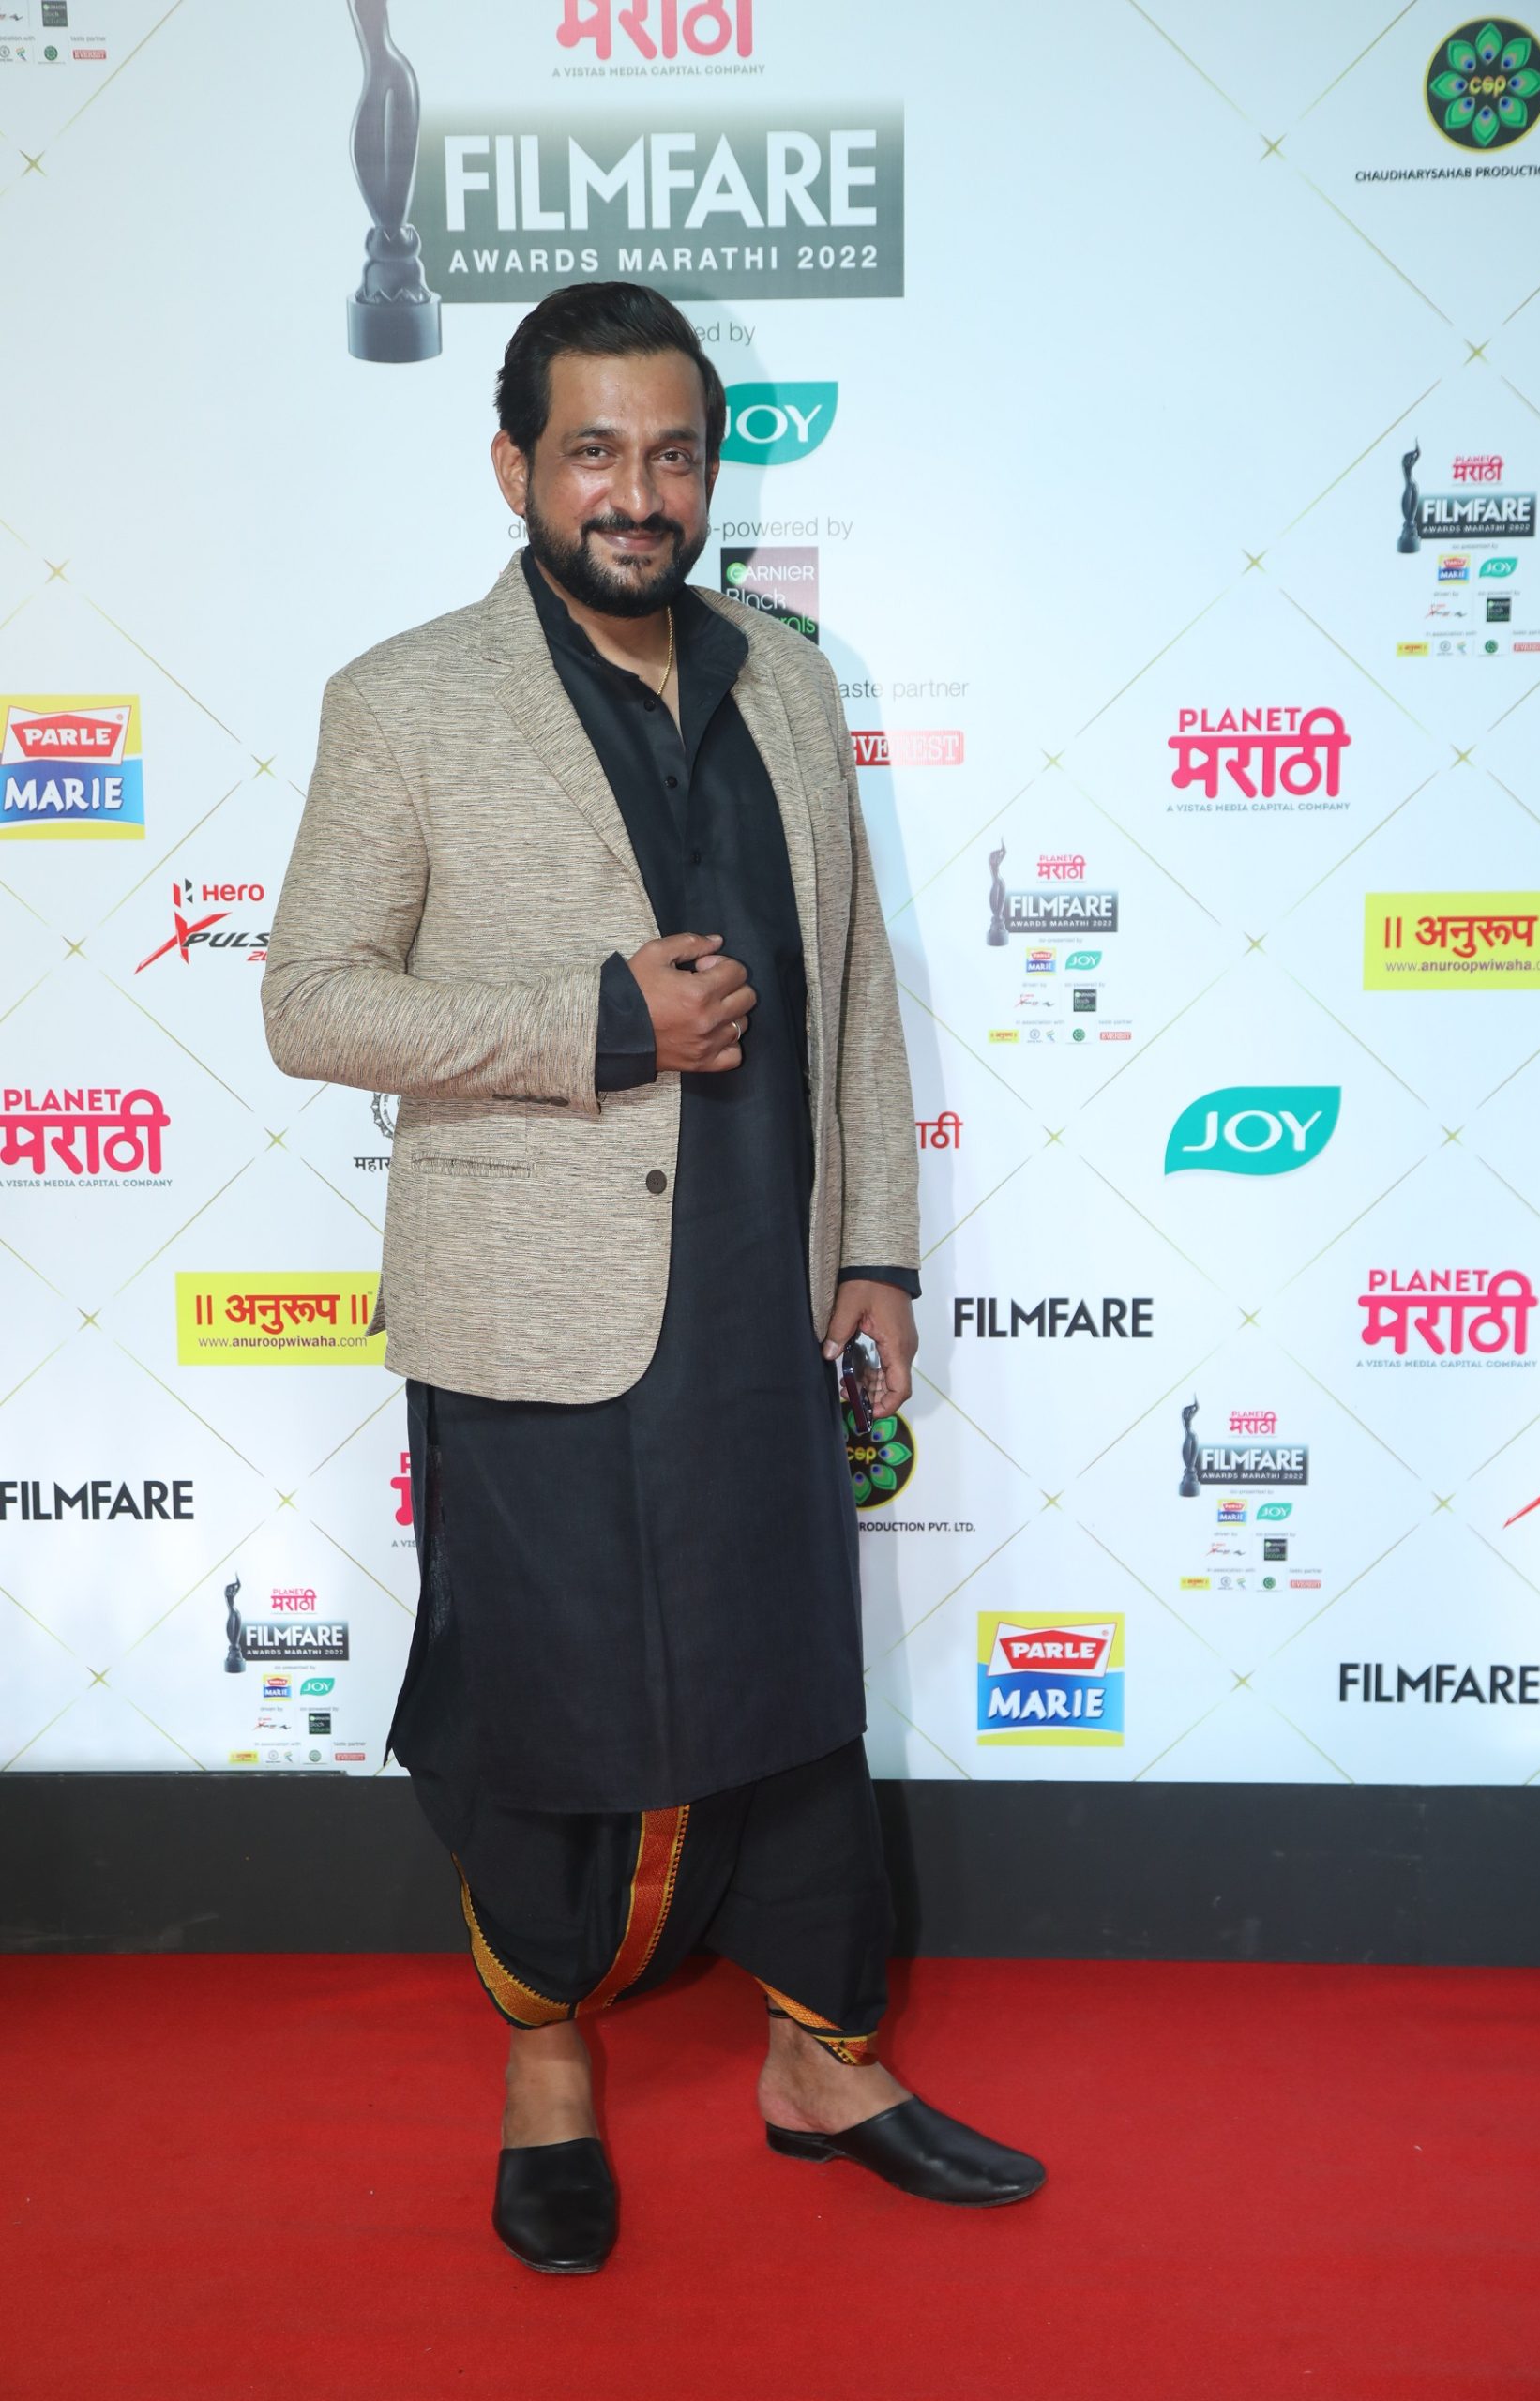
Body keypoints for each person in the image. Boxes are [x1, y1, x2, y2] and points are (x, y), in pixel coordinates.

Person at [263, 282, 1044, 2274]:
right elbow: (310, 1000)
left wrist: (875, 1245)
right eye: (593, 451)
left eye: (673, 453)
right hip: (532, 1304)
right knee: (543, 1703)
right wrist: (595, 1020)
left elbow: (851, 989)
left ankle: (821, 2057)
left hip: (761, 1294)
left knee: (789, 1690)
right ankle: (544, 2068)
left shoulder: (789, 677)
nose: (637, 492)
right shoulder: (405, 698)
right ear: (514, 465)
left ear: (712, 469)